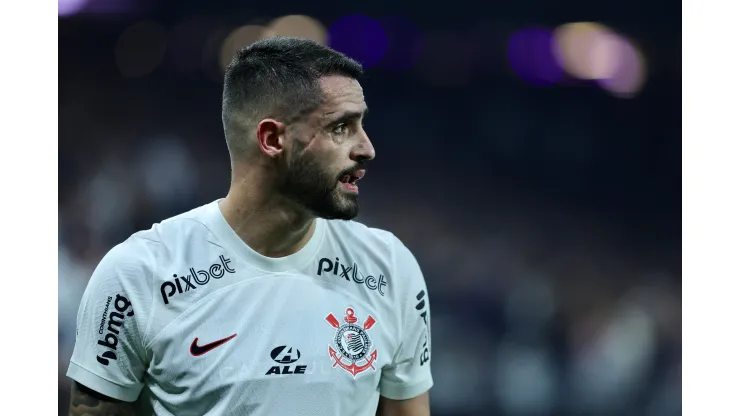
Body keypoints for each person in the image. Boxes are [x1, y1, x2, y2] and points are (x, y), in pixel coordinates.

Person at [66, 37, 433, 416]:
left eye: (361, 124)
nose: (366, 148)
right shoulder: (138, 274)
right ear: (272, 138)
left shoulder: (389, 267)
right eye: (341, 127)